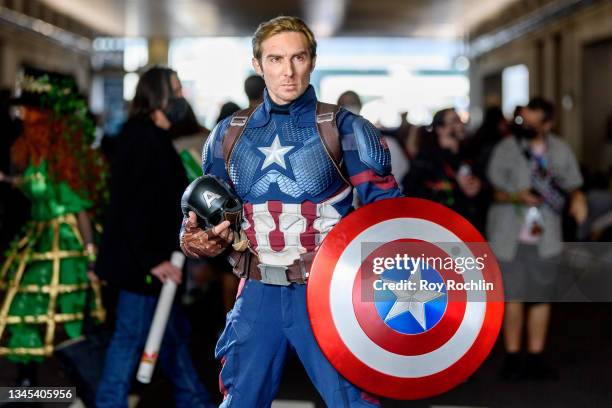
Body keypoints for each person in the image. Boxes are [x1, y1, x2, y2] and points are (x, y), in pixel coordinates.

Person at [180, 16, 400, 407]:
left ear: (312, 61)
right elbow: (213, 215)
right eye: (276, 59)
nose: (288, 71)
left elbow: (390, 215)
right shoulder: (228, 135)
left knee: (353, 401)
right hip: (258, 289)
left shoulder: (347, 129)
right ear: (257, 63)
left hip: (328, 292)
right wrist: (199, 239)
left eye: (298, 58)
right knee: (239, 400)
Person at [94, 66, 214, 408]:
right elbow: (130, 208)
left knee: (172, 337)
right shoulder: (140, 139)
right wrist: (152, 260)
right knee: (131, 339)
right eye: (174, 92)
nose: (180, 99)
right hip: (143, 266)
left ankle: (194, 400)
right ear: (157, 95)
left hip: (156, 262)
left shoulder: (153, 137)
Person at [0, 70, 106, 386]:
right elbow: (36, 184)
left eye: (28, 108)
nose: (21, 113)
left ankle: (86, 386)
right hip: (38, 234)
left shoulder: (62, 154)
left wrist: (90, 256)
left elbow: (80, 210)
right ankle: (27, 383)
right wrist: (8, 180)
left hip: (66, 241)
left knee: (64, 317)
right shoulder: (34, 150)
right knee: (25, 306)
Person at [487, 97, 587, 381]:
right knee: (514, 296)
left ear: (548, 123)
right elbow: (492, 189)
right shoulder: (507, 148)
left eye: (533, 121)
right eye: (524, 120)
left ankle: (536, 356)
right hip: (509, 236)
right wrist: (516, 195)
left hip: (546, 238)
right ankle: (512, 355)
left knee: (541, 298)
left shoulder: (560, 150)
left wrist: (578, 200)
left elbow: (574, 184)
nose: (527, 125)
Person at [402, 108, 485, 231]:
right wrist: (452, 185)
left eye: (461, 120)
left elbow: (486, 187)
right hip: (440, 232)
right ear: (440, 129)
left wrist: (479, 185)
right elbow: (410, 190)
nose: (460, 125)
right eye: (454, 121)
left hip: (469, 230)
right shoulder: (427, 159)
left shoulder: (470, 154)